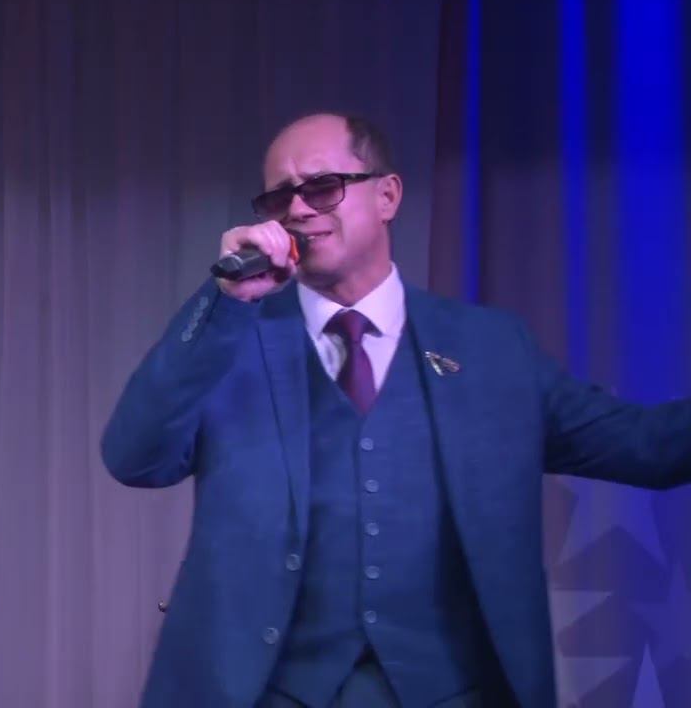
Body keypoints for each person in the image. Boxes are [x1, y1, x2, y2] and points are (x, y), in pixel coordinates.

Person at [100, 112, 691, 707]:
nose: (298, 209)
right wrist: (226, 301)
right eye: (280, 198)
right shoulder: (232, 337)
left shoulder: (492, 350)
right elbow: (135, 457)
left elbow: (647, 446)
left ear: (387, 195)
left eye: (322, 187)